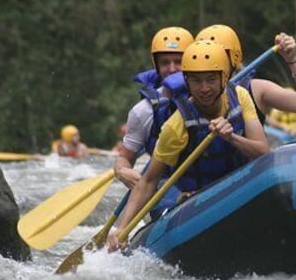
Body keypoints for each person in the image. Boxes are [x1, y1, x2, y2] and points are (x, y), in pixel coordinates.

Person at [107, 40, 268, 252]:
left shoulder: (240, 96)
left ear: (224, 77)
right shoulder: (176, 126)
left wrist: (232, 138)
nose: (204, 89)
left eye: (211, 80)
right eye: (196, 81)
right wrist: (122, 228)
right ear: (186, 81)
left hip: (238, 189)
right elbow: (149, 181)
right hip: (196, 202)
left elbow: (263, 153)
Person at [114, 26, 195, 190]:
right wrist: (122, 171)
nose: (172, 69)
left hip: (213, 183)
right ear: (156, 66)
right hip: (169, 189)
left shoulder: (210, 96)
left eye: (178, 62)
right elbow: (124, 158)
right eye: (165, 63)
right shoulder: (143, 111)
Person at [194, 25, 296, 127]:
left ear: (235, 58)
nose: (211, 63)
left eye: (219, 57)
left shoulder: (256, 89)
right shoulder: (190, 93)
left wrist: (292, 60)